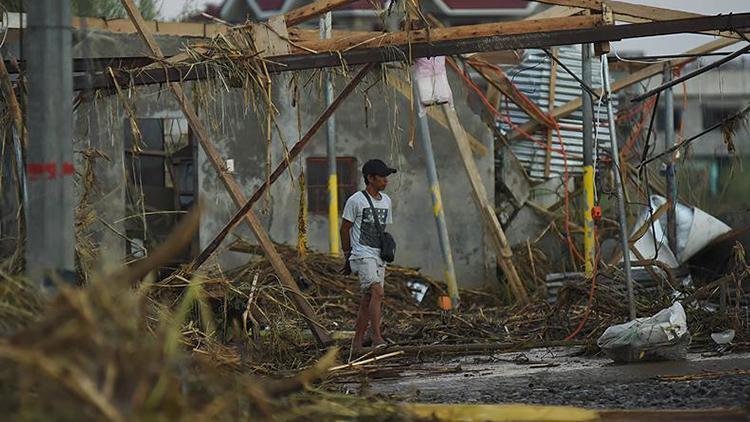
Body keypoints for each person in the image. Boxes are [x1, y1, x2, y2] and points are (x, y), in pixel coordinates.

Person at [341, 159, 396, 353]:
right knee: (377, 292)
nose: (386, 181)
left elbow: (382, 229)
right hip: (362, 254)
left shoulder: (387, 201)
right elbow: (344, 229)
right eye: (382, 177)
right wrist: (348, 256)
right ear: (370, 178)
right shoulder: (356, 200)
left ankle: (356, 343)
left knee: (367, 299)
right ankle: (375, 335)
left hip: (378, 255)